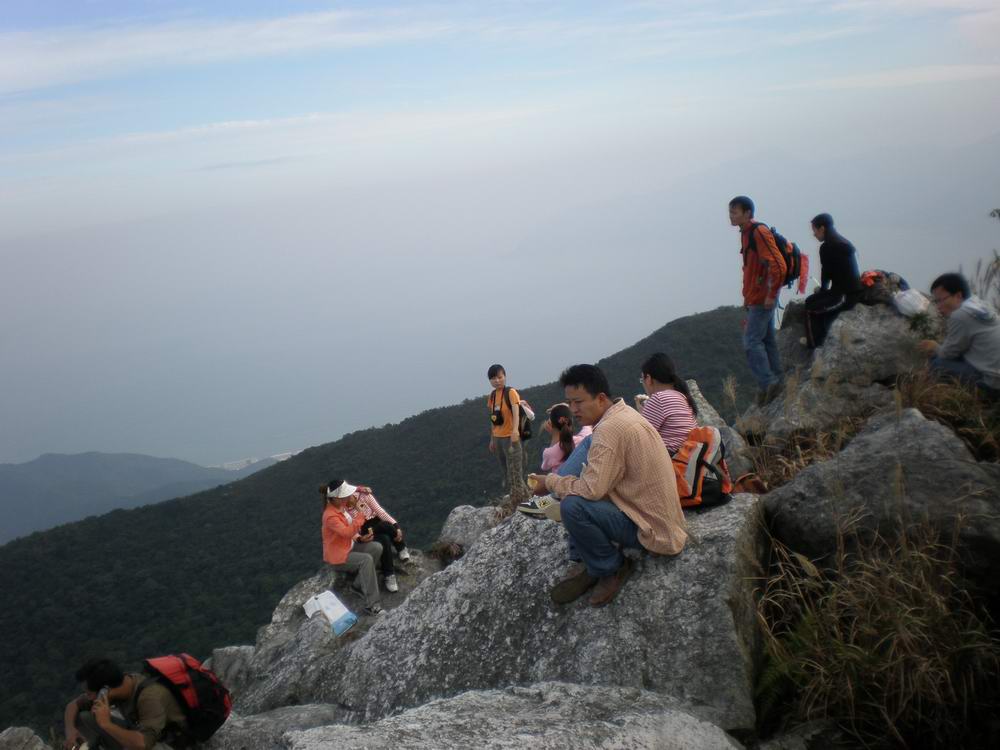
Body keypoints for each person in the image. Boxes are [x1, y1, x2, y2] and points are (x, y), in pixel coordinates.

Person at [527, 364, 687, 607]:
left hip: (652, 528)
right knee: (588, 448)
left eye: (578, 402)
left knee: (572, 506)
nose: (573, 410)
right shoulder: (622, 413)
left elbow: (591, 490)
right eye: (569, 403)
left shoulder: (610, 431)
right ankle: (585, 558)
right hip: (654, 514)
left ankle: (609, 567)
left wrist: (550, 481)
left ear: (601, 398)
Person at [729, 195, 787, 405]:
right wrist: (747, 297)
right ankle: (778, 380)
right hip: (757, 296)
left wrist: (771, 294)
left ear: (747, 213)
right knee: (767, 339)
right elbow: (750, 268)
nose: (731, 216)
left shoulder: (758, 232)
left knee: (751, 342)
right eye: (730, 212)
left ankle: (768, 382)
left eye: (735, 212)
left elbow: (779, 265)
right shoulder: (746, 233)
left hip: (764, 297)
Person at [63, 657, 187, 750]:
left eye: (89, 693)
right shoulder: (117, 684)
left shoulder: (150, 697)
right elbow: (73, 705)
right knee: (83, 717)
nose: (88, 697)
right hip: (139, 733)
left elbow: (143, 744)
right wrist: (70, 730)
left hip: (168, 744)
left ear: (104, 690)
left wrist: (106, 724)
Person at [917, 273, 1000, 393]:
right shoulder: (980, 306)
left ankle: (975, 396)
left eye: (940, 300)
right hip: (994, 375)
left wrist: (934, 346)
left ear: (958, 296)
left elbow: (947, 354)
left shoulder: (960, 315)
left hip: (991, 384)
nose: (938, 307)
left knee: (937, 364)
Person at [321, 480, 384, 617]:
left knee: (376, 547)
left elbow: (350, 533)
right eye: (345, 495)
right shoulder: (330, 516)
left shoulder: (340, 506)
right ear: (336, 498)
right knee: (366, 560)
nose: (349, 497)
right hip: (338, 557)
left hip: (348, 547)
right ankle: (372, 605)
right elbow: (346, 532)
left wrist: (360, 538)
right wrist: (360, 515)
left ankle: (358, 585)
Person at [517, 403, 592, 517]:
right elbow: (588, 428)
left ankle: (552, 503)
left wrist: (554, 436)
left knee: (545, 487)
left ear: (551, 425)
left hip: (558, 486)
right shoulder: (582, 440)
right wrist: (566, 409)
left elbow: (545, 466)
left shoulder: (550, 452)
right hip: (577, 486)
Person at [802, 213, 862, 348]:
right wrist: (823, 293)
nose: (814, 234)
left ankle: (814, 345)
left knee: (810, 309)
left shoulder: (828, 247)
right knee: (810, 301)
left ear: (822, 228)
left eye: (815, 230)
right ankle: (821, 338)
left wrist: (822, 291)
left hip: (845, 295)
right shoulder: (842, 241)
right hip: (850, 291)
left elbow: (826, 274)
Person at [341, 481, 411, 593]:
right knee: (385, 533)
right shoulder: (343, 511)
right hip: (363, 531)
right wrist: (360, 538)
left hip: (377, 523)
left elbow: (380, 512)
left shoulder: (364, 495)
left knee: (385, 533)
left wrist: (396, 526)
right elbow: (350, 529)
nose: (347, 498)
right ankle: (400, 550)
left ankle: (389, 574)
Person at [634, 352, 697, 453]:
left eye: (642, 380)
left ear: (648, 379)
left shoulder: (659, 399)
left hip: (671, 460)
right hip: (687, 457)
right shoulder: (681, 396)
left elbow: (638, 439)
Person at [486, 364, 523, 486]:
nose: (497, 381)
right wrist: (492, 438)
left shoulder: (511, 392)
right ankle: (513, 493)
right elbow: (493, 418)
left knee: (515, 470)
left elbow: (516, 413)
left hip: (510, 437)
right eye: (493, 378)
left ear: (505, 377)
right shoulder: (492, 396)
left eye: (500, 377)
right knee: (505, 470)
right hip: (497, 437)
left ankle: (521, 493)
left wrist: (515, 431)